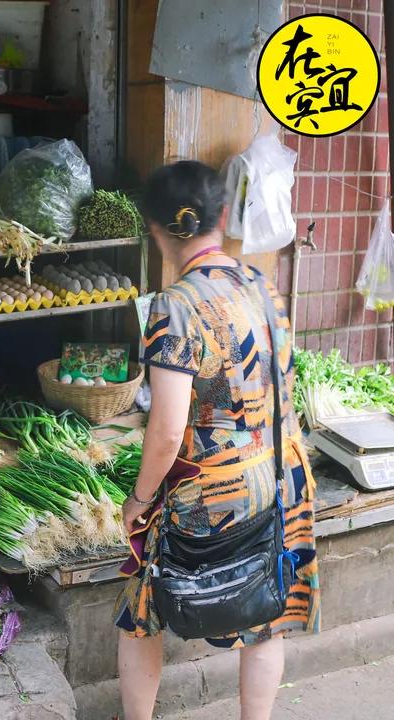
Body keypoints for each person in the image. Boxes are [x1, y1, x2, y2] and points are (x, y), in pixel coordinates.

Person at [114, 161, 320, 719]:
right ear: (223, 216)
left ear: (154, 229)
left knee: (140, 609)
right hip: (281, 472)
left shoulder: (174, 305)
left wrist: (138, 501)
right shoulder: (263, 287)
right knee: (268, 609)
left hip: (212, 485)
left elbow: (167, 430)